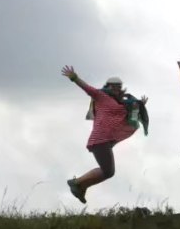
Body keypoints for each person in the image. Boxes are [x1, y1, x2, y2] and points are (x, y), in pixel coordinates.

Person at [61, 65, 148, 204]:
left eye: (118, 86)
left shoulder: (122, 103)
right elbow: (88, 88)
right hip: (99, 139)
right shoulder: (101, 96)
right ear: (108, 86)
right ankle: (77, 183)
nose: (116, 89)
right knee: (108, 171)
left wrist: (140, 105)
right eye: (113, 86)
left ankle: (80, 186)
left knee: (108, 171)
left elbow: (130, 116)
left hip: (107, 141)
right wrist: (75, 78)